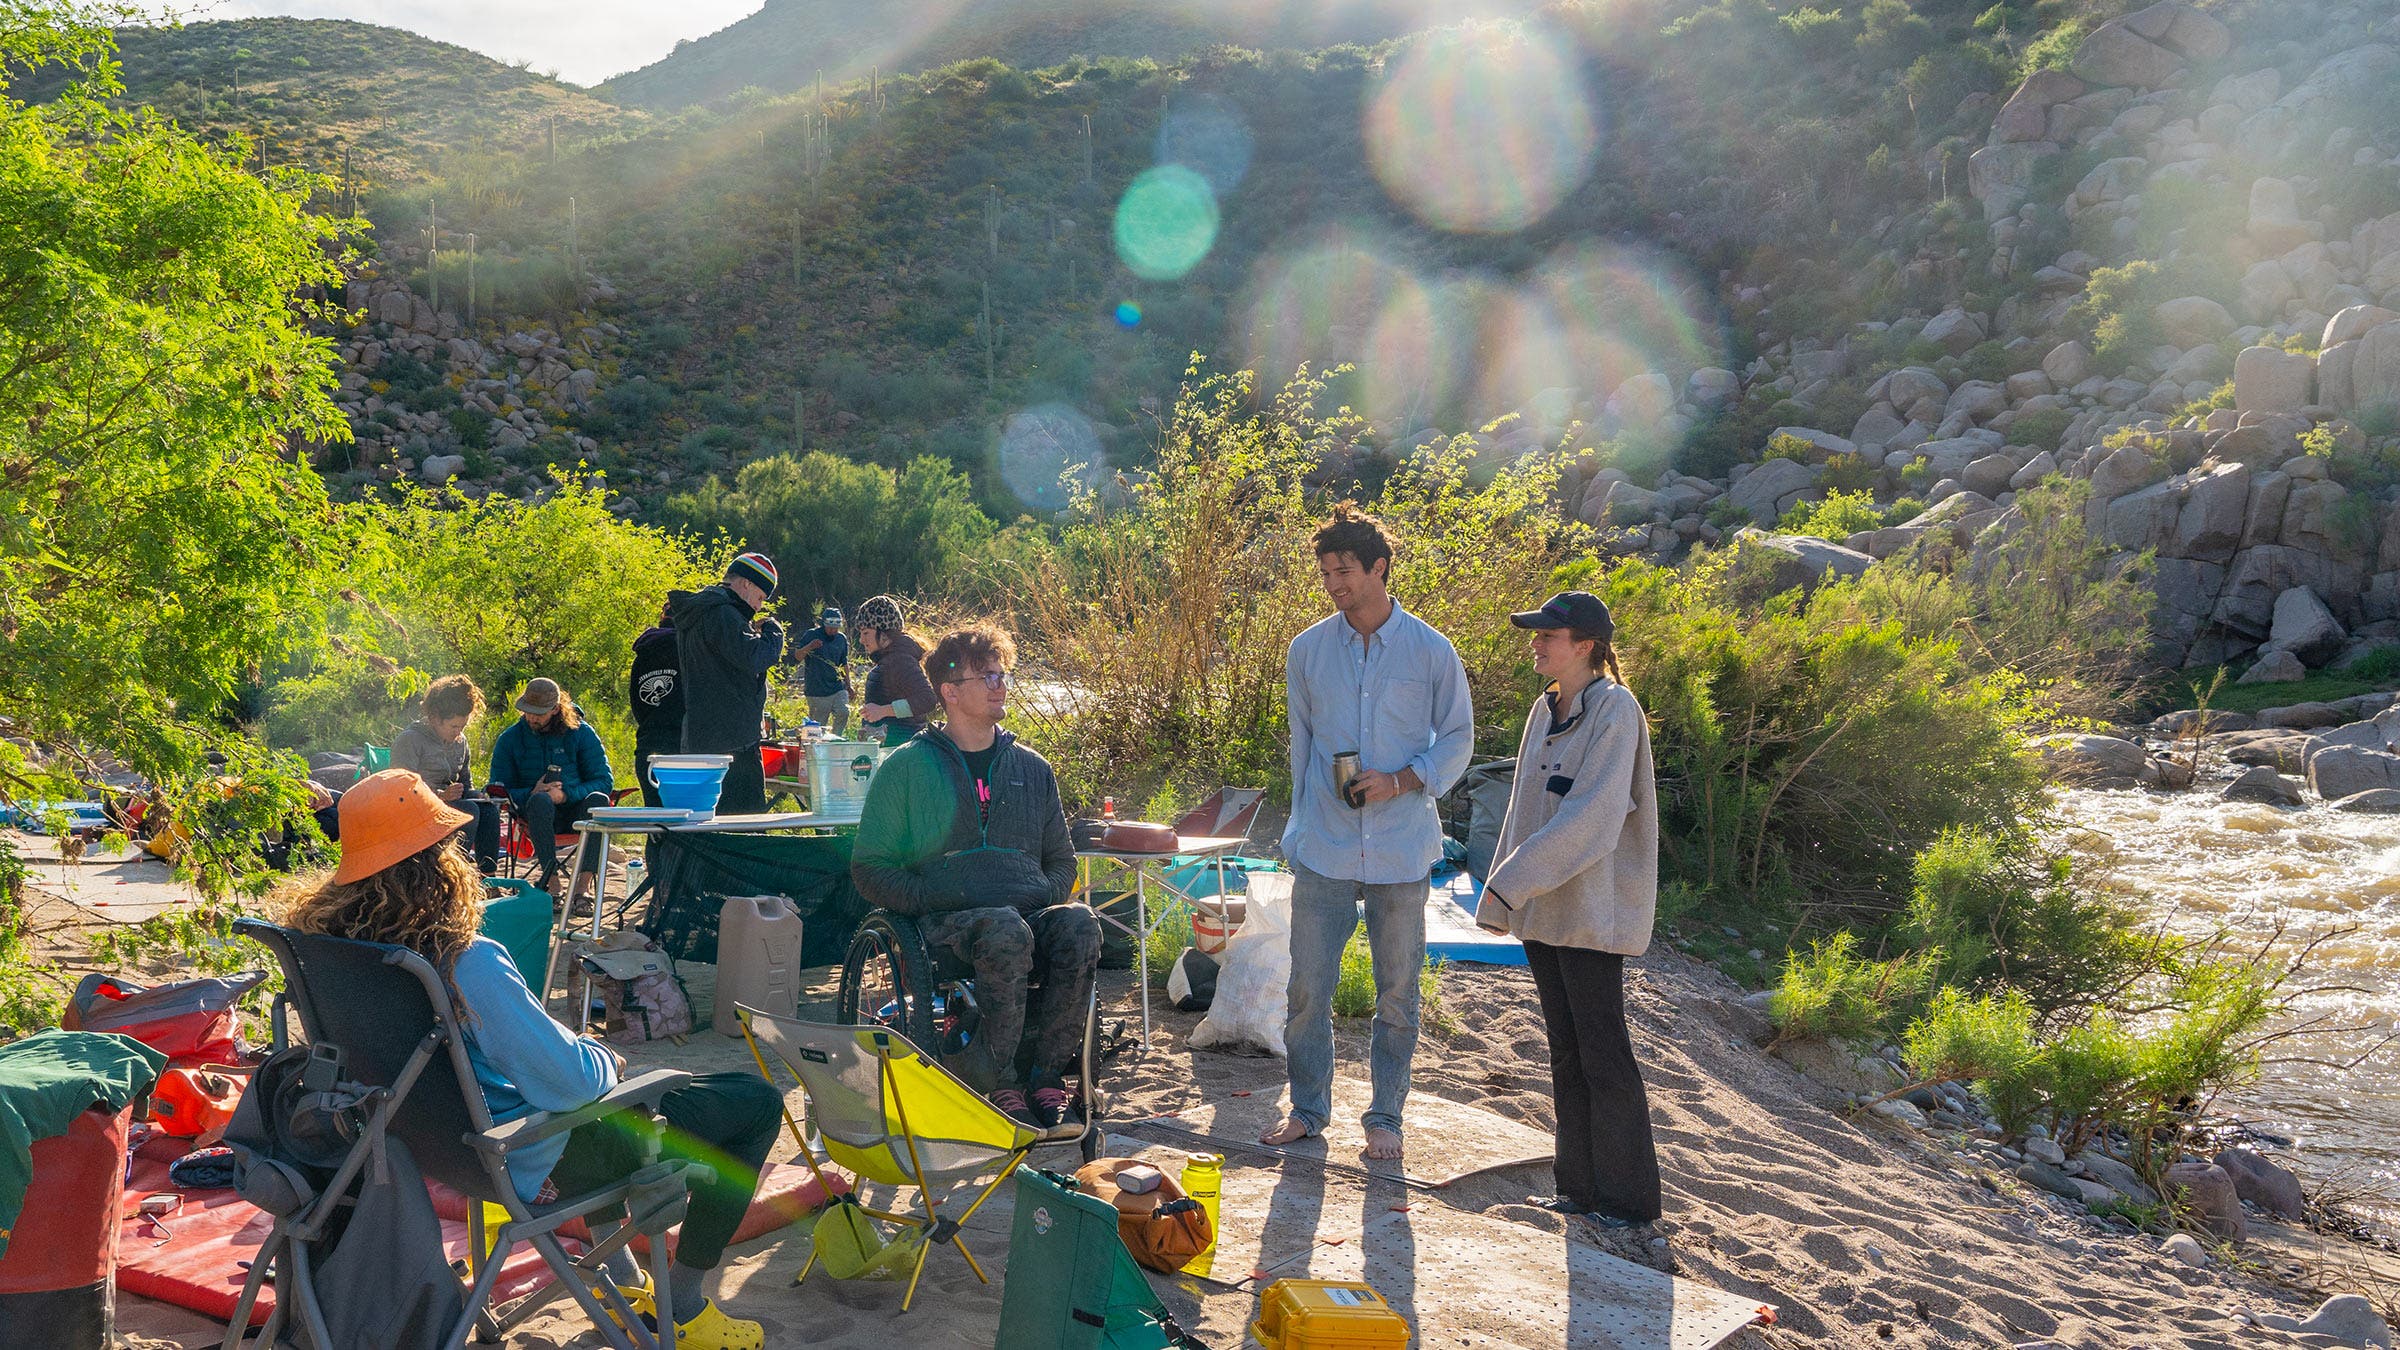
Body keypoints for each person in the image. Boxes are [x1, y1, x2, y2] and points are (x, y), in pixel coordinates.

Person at [277, 770, 778, 1349]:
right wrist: (605, 1060)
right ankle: (684, 1308)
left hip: (431, 1152)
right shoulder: (464, 961)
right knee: (752, 1102)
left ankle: (623, 1282)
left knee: (601, 1097)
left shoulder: (338, 958)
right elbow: (567, 1086)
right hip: (528, 1159)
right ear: (443, 862)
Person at [1265, 504, 1473, 1161]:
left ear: (1379, 567)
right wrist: (1297, 828)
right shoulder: (1307, 649)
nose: (1333, 583)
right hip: (1324, 844)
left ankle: (1386, 1117)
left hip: (1402, 846)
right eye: (1325, 572)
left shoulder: (1431, 650)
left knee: (1397, 995)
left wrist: (1405, 778)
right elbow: (1301, 748)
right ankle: (1307, 1110)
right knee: (1306, 991)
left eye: (1345, 570)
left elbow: (1461, 737)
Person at [849, 623, 1097, 1131]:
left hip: (1022, 917)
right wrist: (931, 895)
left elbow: (1063, 862)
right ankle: (998, 1080)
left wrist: (1038, 896)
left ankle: (1048, 1078)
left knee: (1079, 923)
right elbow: (868, 868)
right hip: (942, 922)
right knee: (1003, 929)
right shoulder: (907, 768)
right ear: (950, 691)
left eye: (1002, 674)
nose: (999, 684)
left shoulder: (1032, 767)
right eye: (986, 676)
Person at [1475, 591, 1662, 1229]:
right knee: (1564, 1048)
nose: (1535, 643)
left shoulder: (1616, 712)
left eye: (1547, 636)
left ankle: (1629, 1203)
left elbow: (1594, 819)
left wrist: (1509, 883)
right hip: (1542, 910)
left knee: (1602, 1049)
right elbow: (1524, 810)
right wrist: (1507, 894)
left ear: (1583, 645)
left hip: (1590, 911)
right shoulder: (1542, 708)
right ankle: (1578, 1189)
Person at [668, 552, 785, 816]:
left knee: (710, 824)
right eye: (761, 597)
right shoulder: (723, 614)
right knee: (748, 828)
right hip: (733, 744)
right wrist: (773, 631)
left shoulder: (700, 612)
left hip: (703, 737)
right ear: (747, 583)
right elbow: (756, 657)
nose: (759, 606)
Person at [490, 678, 614, 901]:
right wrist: (532, 792)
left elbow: (604, 781)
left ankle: (582, 887)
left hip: (577, 812)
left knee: (599, 801)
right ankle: (551, 883)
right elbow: (496, 789)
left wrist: (566, 795)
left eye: (538, 713)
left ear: (556, 709)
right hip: (534, 815)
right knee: (540, 801)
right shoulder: (510, 739)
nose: (531, 717)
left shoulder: (581, 733)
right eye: (527, 711)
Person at [391, 674, 501, 874]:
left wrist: (480, 795)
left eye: (462, 726)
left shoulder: (461, 741)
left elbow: (466, 783)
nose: (458, 732)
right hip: (418, 812)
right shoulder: (410, 740)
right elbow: (401, 791)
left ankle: (488, 877)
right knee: (468, 810)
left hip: (450, 805)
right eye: (453, 726)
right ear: (434, 718)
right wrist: (440, 795)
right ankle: (452, 873)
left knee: (488, 809)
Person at [852, 594, 936, 747]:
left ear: (883, 634)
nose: (861, 640)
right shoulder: (891, 659)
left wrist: (883, 711)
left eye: (866, 633)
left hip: (900, 752)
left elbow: (927, 699)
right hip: (892, 748)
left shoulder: (899, 660)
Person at [629, 606, 684, 809]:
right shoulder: (688, 651)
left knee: (655, 823)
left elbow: (637, 706)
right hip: (681, 750)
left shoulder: (642, 655)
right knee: (683, 828)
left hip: (648, 745)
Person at [792, 605, 852, 736]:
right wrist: (810, 646)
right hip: (817, 691)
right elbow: (798, 656)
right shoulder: (812, 635)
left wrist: (849, 685)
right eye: (830, 627)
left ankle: (835, 740)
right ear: (824, 624)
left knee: (844, 712)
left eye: (836, 628)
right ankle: (814, 750)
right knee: (816, 730)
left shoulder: (841, 639)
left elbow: (844, 663)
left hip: (837, 687)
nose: (833, 631)